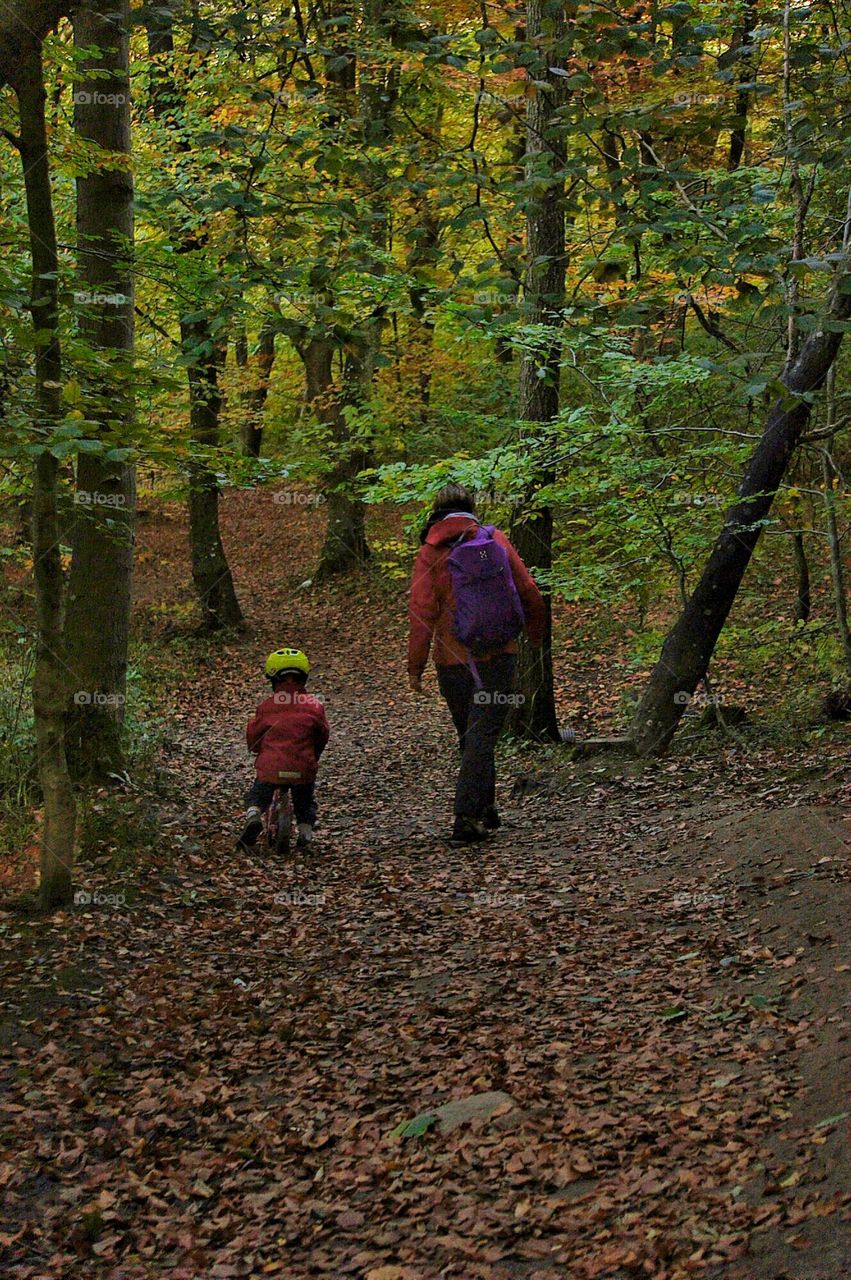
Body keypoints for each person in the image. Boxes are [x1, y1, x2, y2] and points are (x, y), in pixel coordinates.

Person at [407, 483, 546, 844]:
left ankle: (469, 815)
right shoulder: (494, 537)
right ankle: (479, 809)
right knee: (481, 735)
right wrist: (535, 633)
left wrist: (415, 666)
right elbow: (528, 588)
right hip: (499, 654)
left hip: (452, 660)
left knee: (471, 735)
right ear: (471, 508)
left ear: (436, 513)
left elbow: (421, 611)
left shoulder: (430, 551)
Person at [237, 648, 330, 852]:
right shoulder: (314, 706)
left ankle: (253, 815)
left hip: (271, 767)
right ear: (303, 678)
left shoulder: (267, 707)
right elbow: (322, 735)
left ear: (273, 679)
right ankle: (305, 833)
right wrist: (314, 755)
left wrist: (254, 748)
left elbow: (254, 734)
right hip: (303, 767)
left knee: (257, 795)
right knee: (305, 803)